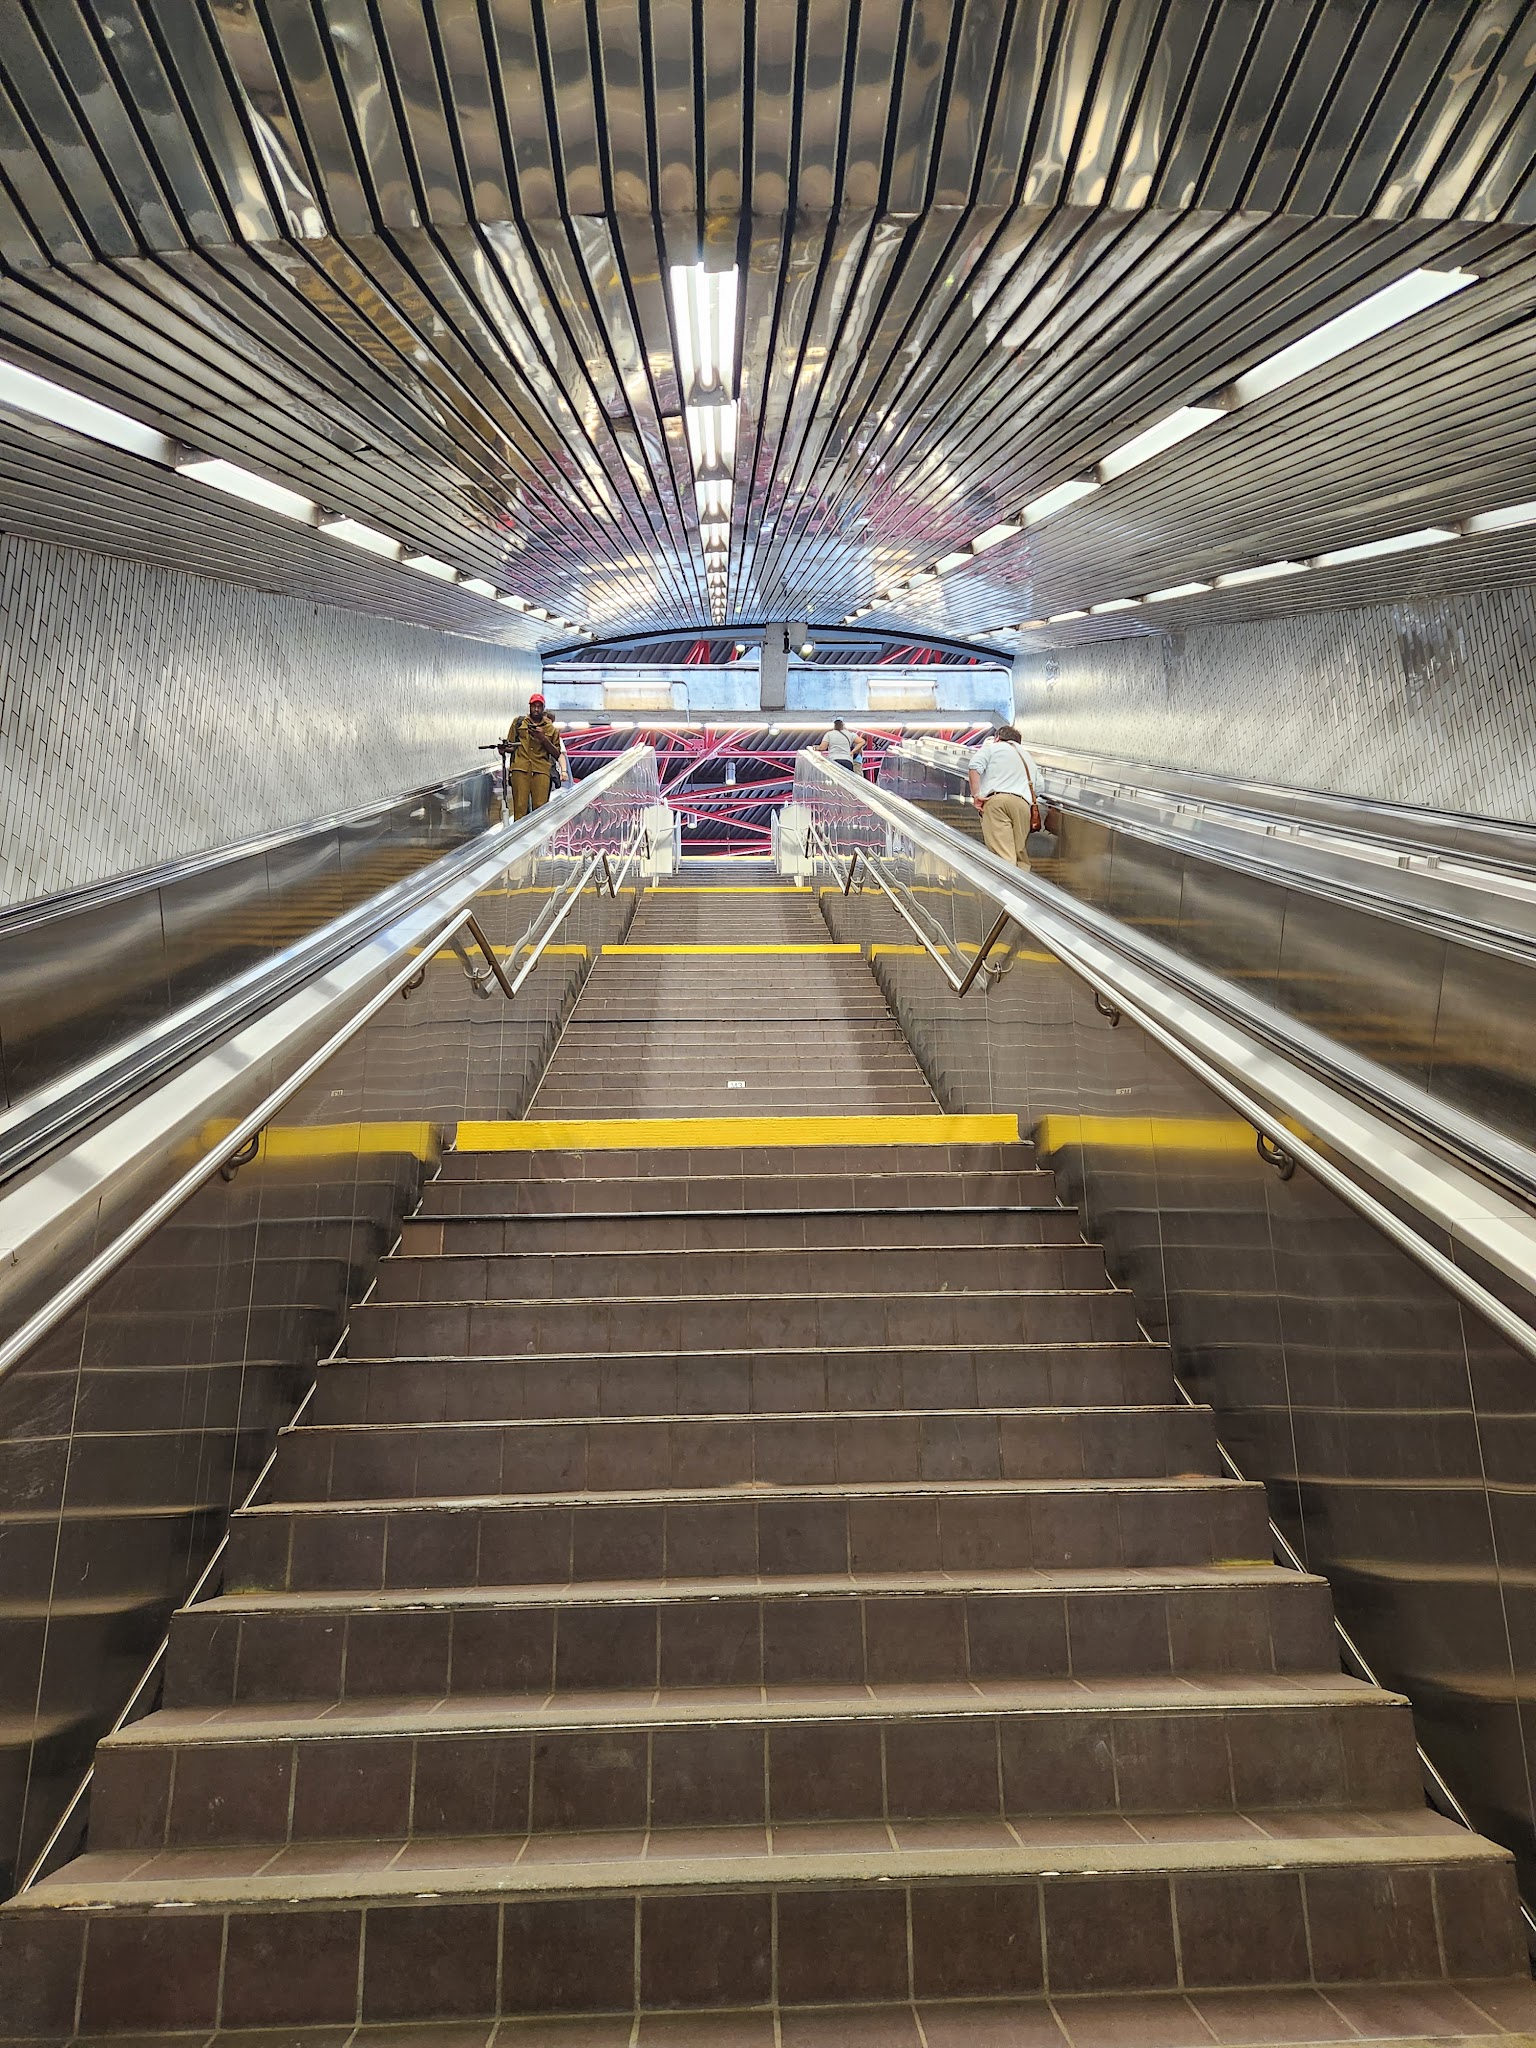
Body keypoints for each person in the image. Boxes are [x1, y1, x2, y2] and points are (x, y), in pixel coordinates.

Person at [968, 723, 1043, 868]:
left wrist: (976, 795)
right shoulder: (1026, 756)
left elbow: (974, 766)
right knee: (1019, 855)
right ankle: (1022, 888)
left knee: (1002, 855)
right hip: (1022, 806)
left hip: (997, 803)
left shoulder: (991, 748)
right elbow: (1039, 787)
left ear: (997, 738)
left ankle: (1005, 890)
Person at [504, 694, 563, 818]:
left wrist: (543, 738)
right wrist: (503, 749)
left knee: (540, 809)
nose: (536, 709)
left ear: (543, 708)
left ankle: (539, 837)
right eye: (534, 706)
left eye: (539, 707)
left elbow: (556, 753)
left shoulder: (551, 729)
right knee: (519, 808)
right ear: (529, 707)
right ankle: (518, 836)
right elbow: (511, 746)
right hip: (520, 769)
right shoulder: (518, 723)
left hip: (541, 770)